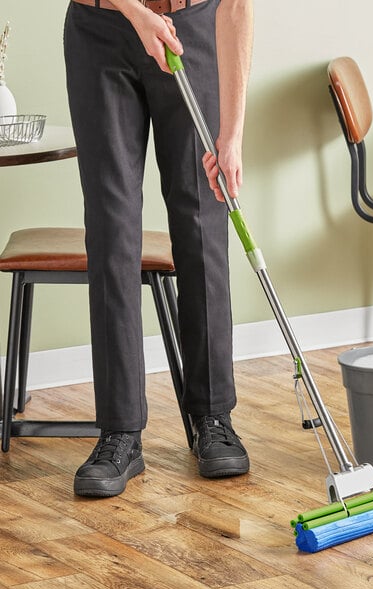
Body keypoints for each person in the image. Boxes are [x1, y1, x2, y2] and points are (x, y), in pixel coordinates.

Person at [63, 0, 254, 497]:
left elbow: (235, 7)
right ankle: (120, 432)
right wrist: (133, 13)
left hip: (192, 25)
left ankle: (212, 418)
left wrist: (231, 135)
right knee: (111, 230)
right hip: (101, 29)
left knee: (202, 224)